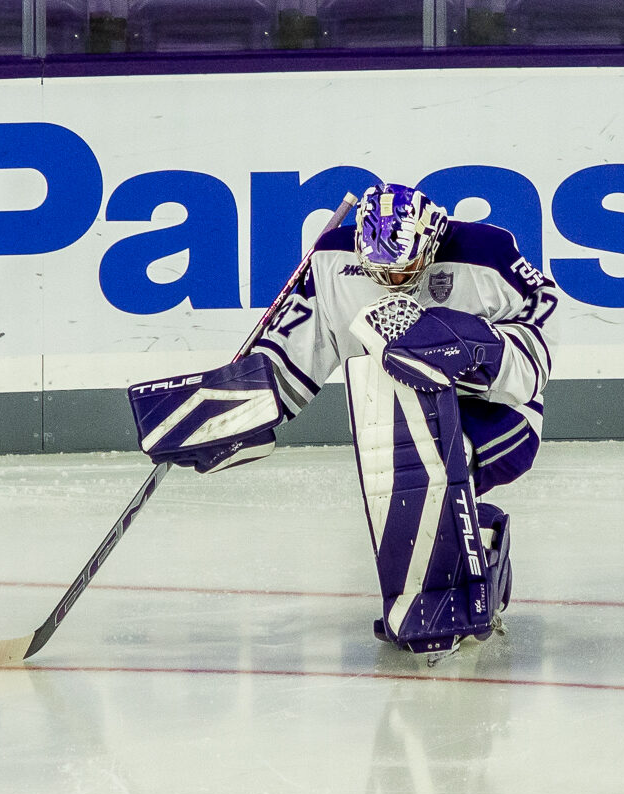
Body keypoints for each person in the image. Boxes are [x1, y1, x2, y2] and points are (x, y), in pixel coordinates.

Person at [128, 183, 559, 661]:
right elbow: (288, 362)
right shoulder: (332, 263)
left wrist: (469, 344)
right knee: (402, 455)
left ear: (433, 240)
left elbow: (536, 358)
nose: (393, 283)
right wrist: (218, 412)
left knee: (428, 462)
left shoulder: (488, 253)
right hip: (403, 411)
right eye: (380, 273)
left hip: (499, 413)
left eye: (406, 270)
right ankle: (470, 554)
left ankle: (454, 584)